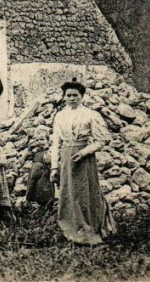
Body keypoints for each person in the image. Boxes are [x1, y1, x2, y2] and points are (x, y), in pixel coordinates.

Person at [50, 78, 116, 245]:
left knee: (85, 193)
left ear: (82, 96)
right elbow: (56, 142)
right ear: (63, 97)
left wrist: (85, 152)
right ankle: (71, 230)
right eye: (68, 95)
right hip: (66, 156)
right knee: (68, 192)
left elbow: (103, 139)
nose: (72, 98)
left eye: (75, 95)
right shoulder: (59, 116)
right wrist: (54, 167)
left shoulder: (90, 115)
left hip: (84, 158)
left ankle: (89, 229)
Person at [26, 126, 55, 209]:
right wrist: (30, 149)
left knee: (45, 188)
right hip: (35, 172)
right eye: (37, 140)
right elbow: (28, 157)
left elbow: (49, 160)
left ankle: (47, 205)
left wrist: (46, 150)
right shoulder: (35, 150)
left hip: (44, 172)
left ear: (48, 140)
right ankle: (32, 203)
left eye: (42, 140)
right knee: (33, 186)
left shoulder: (49, 150)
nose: (39, 142)